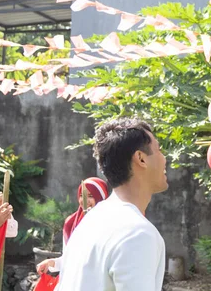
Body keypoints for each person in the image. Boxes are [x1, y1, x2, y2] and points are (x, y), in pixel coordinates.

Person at [56, 118, 168, 291]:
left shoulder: (91, 220)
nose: (164, 158)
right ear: (141, 159)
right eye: (159, 150)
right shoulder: (137, 233)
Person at [36, 177, 109, 275]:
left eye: (91, 196)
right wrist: (52, 263)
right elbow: (70, 260)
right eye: (81, 195)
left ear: (101, 197)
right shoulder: (70, 224)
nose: (85, 200)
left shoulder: (110, 224)